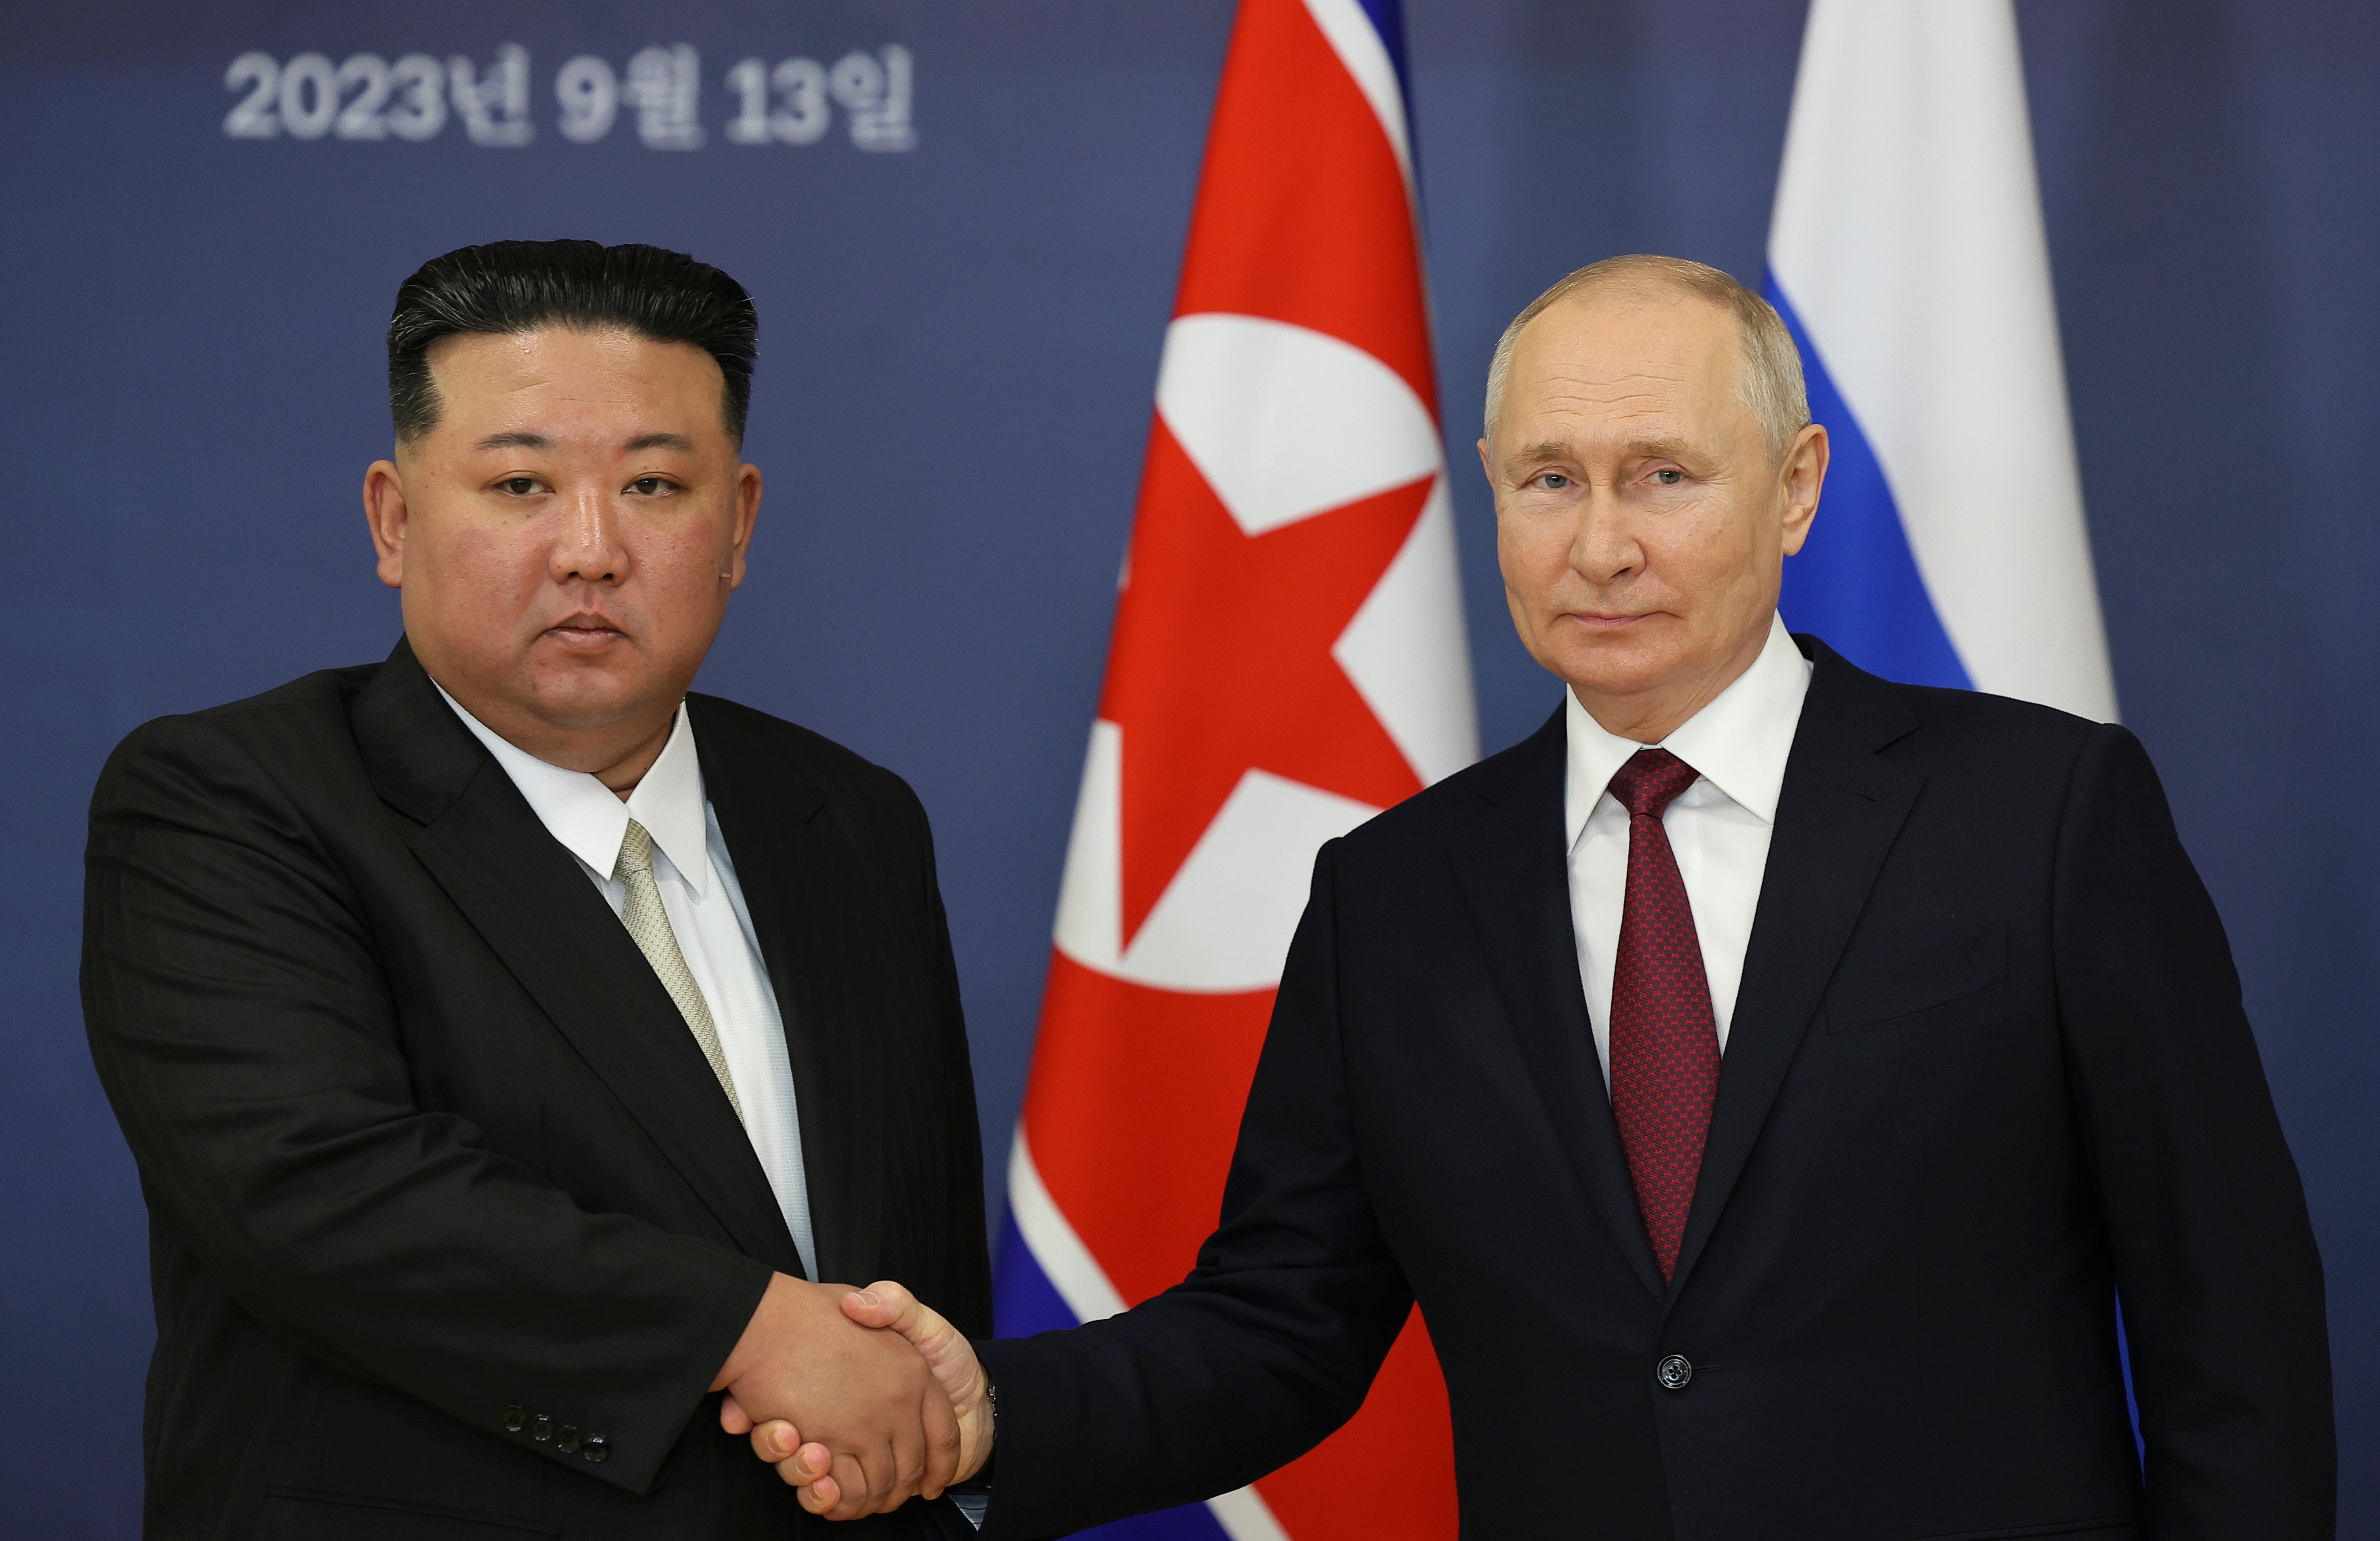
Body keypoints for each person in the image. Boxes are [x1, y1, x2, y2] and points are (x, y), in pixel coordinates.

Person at [748, 255, 2336, 1537]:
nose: (1601, 547)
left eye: (1662, 477)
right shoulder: (1396, 892)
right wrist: (988, 1415)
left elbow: (2231, 1321)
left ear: (1794, 491)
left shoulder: (2041, 812)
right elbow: (1282, 1325)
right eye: (1549, 481)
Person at [82, 239, 990, 1539]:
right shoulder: (233, 797)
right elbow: (317, 1193)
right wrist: (748, 1330)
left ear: (737, 523)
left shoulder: (851, 818)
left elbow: (912, 1276)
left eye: (655, 486)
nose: (590, 549)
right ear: (394, 521)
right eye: (519, 483)